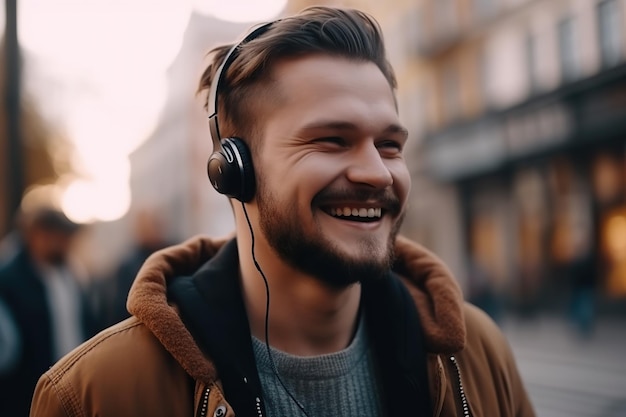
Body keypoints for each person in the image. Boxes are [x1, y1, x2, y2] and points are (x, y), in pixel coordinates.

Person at [31, 6, 535, 417]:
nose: (377, 174)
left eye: (388, 145)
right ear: (234, 170)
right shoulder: (93, 394)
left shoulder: (476, 353)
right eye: (331, 141)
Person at [0, 204, 100, 417]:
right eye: (59, 236)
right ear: (36, 234)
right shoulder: (8, 279)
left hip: (72, 384)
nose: (65, 243)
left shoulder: (72, 274)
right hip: (27, 395)